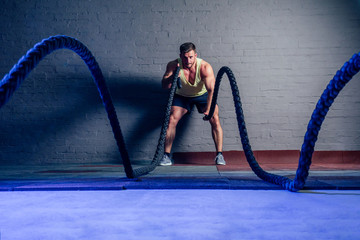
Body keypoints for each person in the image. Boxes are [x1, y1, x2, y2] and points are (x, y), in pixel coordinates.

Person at [160, 42, 226, 166]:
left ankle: (219, 155)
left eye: (191, 57)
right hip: (182, 96)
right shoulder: (173, 65)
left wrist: (209, 107)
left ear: (195, 55)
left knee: (215, 118)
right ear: (180, 55)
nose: (188, 60)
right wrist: (173, 77)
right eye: (185, 57)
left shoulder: (204, 67)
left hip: (202, 95)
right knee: (171, 119)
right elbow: (164, 86)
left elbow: (212, 89)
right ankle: (166, 156)